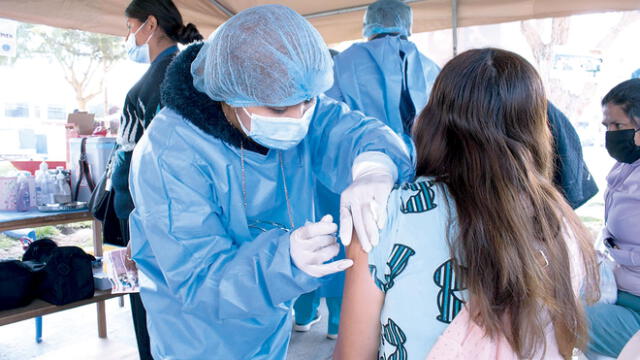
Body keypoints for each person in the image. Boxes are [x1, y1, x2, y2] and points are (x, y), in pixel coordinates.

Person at [128, 5, 413, 359]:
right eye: (279, 110)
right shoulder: (170, 152)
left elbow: (350, 130)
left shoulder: (298, 105)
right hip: (197, 335)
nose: (298, 119)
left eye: (307, 101)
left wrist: (375, 164)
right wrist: (285, 261)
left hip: (270, 319)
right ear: (230, 93)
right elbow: (199, 279)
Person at [334, 48, 599, 360]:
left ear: (432, 118)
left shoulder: (386, 215)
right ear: (539, 126)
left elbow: (352, 355)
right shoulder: (559, 221)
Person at [110, 0, 202, 358]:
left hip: (147, 213)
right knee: (185, 308)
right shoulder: (192, 69)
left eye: (129, 26)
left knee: (152, 310)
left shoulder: (159, 81)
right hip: (184, 211)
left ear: (149, 24)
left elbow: (140, 164)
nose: (127, 36)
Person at [325, 0, 440, 149]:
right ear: (408, 25)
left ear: (367, 25)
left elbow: (329, 115)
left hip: (365, 156)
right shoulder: (430, 66)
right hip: (423, 159)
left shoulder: (342, 63)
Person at [586, 79, 640, 358]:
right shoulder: (626, 167)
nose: (610, 134)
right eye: (606, 126)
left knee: (554, 319)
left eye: (617, 126)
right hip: (621, 292)